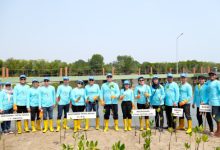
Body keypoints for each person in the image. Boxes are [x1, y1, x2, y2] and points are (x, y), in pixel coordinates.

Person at [206, 71, 220, 137]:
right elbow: (204, 84)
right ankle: (217, 130)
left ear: (215, 76)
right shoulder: (208, 82)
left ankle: (219, 131)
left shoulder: (218, 82)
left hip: (217, 103)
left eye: (213, 75)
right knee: (215, 117)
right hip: (211, 102)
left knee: (215, 117)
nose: (211, 76)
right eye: (210, 75)